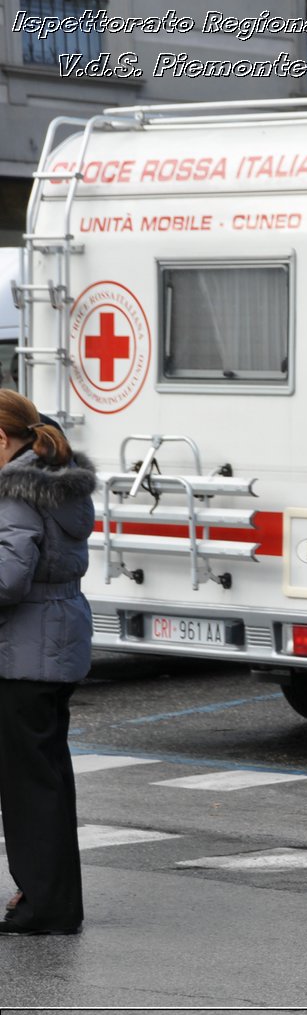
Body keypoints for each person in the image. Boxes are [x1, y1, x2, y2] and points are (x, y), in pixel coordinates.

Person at [0, 392, 94, 936]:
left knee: (29, 786)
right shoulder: (60, 480)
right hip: (56, 641)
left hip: (23, 652)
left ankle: (44, 906)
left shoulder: (13, 489)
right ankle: (53, 901)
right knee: (50, 779)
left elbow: (8, 579)